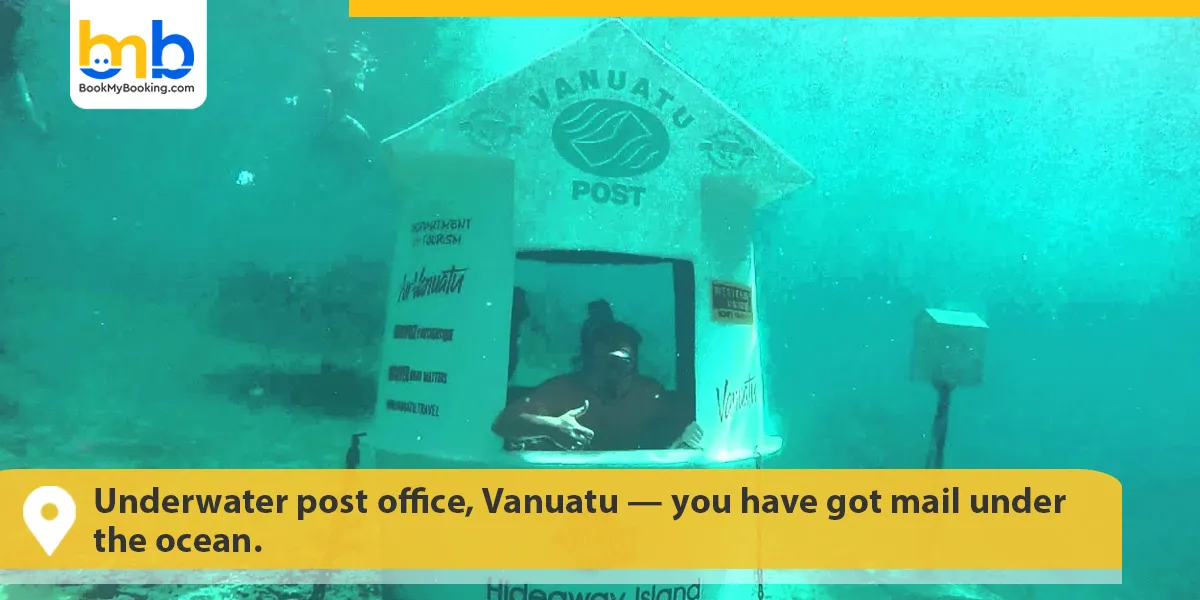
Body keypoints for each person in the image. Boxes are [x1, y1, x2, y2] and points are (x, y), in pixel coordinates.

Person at [492, 300, 702, 451]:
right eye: (603, 364)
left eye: (622, 365)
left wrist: (684, 437)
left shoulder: (647, 394)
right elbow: (503, 422)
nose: (612, 374)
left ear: (635, 368)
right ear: (587, 364)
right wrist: (551, 428)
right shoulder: (564, 391)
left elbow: (688, 419)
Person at [0, 0, 46, 134]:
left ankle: (35, 121)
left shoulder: (11, 16)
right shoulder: (13, 17)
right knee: (20, 93)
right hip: (9, 63)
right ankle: (37, 122)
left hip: (8, 62)